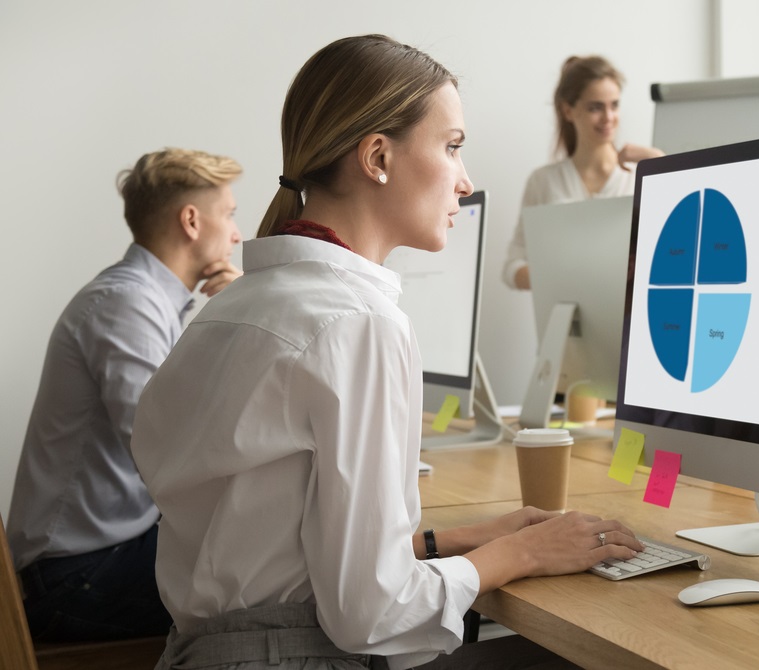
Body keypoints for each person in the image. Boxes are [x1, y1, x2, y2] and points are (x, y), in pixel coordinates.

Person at [131, 34, 643, 669]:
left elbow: (283, 541)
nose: (466, 180)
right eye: (452, 148)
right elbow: (371, 614)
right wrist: (527, 553)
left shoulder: (239, 304)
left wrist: (467, 538)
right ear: (377, 156)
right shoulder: (357, 323)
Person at [6, 147, 243, 642]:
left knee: (269, 573)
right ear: (192, 221)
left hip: (100, 557)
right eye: (230, 215)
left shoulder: (147, 302)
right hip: (75, 576)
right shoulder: (126, 304)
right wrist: (243, 317)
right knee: (266, 595)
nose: (237, 234)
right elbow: (170, 454)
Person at [501, 55, 663, 291]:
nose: (608, 117)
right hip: (564, 323)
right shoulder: (543, 182)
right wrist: (560, 278)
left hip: (628, 322)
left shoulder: (641, 176)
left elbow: (679, 248)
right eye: (595, 107)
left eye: (614, 105)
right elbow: (511, 266)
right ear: (568, 111)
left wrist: (661, 163)